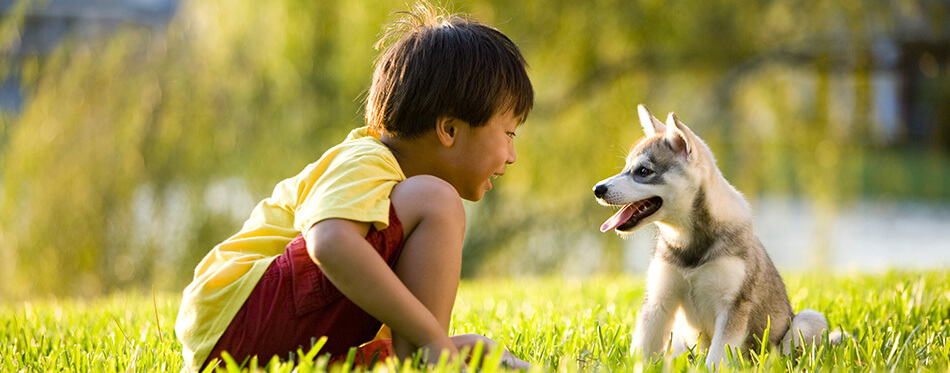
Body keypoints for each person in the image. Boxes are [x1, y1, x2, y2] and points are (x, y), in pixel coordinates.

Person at [174, 2, 534, 371]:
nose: (511, 155)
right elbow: (328, 242)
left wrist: (435, 343)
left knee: (475, 348)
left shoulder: (396, 201)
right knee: (438, 201)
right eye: (508, 134)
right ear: (450, 129)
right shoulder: (367, 158)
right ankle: (427, 359)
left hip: (254, 343)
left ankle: (418, 361)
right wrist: (432, 339)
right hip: (239, 318)